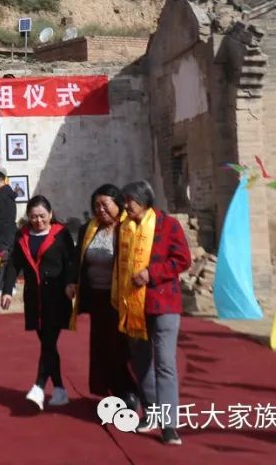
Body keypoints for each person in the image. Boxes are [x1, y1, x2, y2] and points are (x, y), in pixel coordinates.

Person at [118, 180, 192, 446]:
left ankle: (169, 424)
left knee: (165, 364)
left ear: (145, 200)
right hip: (133, 304)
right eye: (125, 201)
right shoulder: (124, 228)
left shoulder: (167, 225)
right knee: (140, 362)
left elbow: (183, 259)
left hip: (163, 304)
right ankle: (150, 410)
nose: (126, 206)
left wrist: (152, 274)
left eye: (130, 201)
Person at [0, 195, 78, 411]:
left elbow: (71, 261)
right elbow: (14, 265)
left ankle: (39, 386)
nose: (38, 221)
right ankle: (60, 389)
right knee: (47, 344)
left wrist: (72, 282)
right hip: (35, 299)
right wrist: (7, 291)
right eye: (33, 217)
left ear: (51, 215)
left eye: (42, 216)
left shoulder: (60, 234)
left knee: (49, 343)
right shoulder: (22, 235)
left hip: (57, 296)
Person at [71, 185, 138, 407]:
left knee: (121, 346)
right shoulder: (88, 229)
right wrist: (72, 282)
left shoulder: (129, 229)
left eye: (105, 205)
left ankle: (129, 391)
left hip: (122, 298)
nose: (100, 210)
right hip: (97, 297)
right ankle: (109, 389)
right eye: (96, 205)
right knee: (102, 346)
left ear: (118, 204)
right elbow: (77, 259)